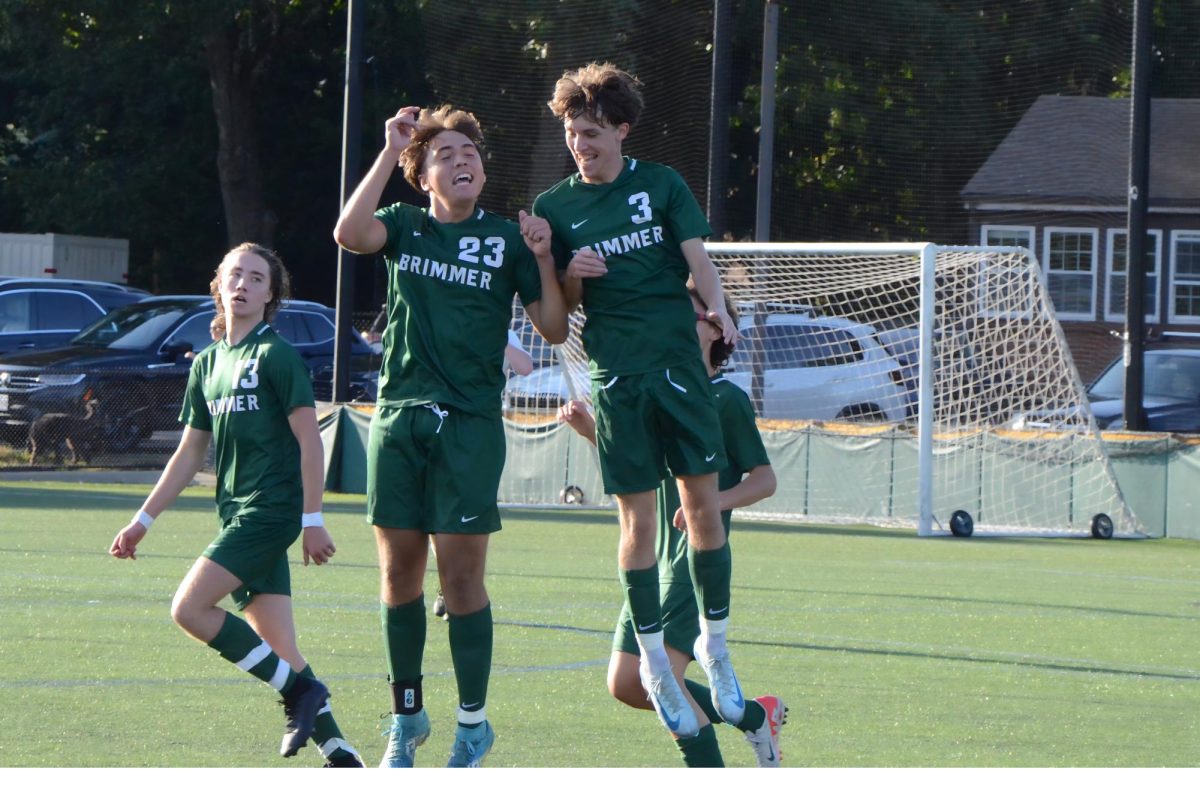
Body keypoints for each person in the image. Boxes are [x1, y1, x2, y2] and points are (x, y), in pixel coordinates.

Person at [333, 105, 567, 768]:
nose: (462, 160)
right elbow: (349, 231)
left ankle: (472, 725)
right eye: (445, 154)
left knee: (461, 580)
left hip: (468, 425)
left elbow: (551, 327)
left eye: (470, 151)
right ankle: (406, 720)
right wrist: (388, 148)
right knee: (398, 572)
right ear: (422, 176)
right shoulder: (405, 225)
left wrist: (545, 258)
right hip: (400, 417)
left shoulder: (507, 237)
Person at [532, 62, 742, 740]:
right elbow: (558, 321)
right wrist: (568, 273)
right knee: (638, 523)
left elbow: (698, 260)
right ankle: (653, 657)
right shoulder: (555, 208)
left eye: (591, 132)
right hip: (617, 380)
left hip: (680, 370)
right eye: (571, 133)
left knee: (702, 511)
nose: (580, 145)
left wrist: (718, 309)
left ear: (621, 129)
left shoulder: (662, 185)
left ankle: (716, 642)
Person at [108, 243, 362, 767]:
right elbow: (188, 453)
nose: (243, 284)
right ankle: (340, 754)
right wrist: (143, 520)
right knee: (282, 650)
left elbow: (310, 441)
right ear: (219, 285)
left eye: (256, 277)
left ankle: (299, 695)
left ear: (272, 294)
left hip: (270, 511)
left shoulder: (276, 355)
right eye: (234, 275)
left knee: (189, 609)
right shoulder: (206, 364)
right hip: (235, 510)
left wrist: (312, 519)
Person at [558, 290, 784, 767]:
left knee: (666, 689)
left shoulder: (725, 399)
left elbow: (765, 479)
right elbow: (648, 469)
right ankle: (752, 714)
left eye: (688, 312)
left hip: (688, 564)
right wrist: (592, 430)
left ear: (716, 329)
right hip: (649, 560)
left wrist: (712, 503)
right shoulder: (656, 392)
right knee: (625, 682)